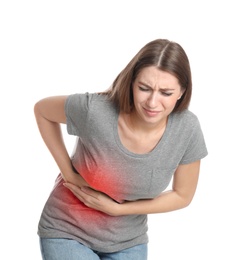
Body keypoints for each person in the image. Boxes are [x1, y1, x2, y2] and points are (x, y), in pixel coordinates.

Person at [34, 38, 208, 260]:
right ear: (132, 82)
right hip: (67, 230)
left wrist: (119, 209)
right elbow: (42, 111)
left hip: (128, 241)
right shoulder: (95, 111)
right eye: (144, 88)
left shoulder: (188, 130)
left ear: (182, 91)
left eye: (166, 93)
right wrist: (68, 173)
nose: (153, 102)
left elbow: (182, 195)